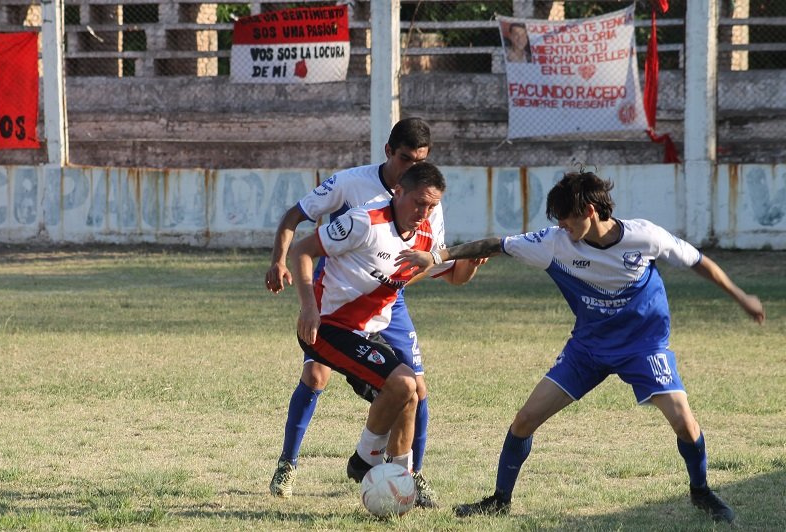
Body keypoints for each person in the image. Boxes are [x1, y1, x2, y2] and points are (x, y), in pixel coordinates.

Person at [396, 170, 765, 523]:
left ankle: (701, 491)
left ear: (590, 211)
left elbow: (699, 262)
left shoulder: (646, 237)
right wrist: (439, 256)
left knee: (684, 422)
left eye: (567, 219)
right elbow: (496, 244)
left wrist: (740, 295)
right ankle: (499, 500)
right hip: (588, 349)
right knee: (525, 420)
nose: (561, 227)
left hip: (644, 347)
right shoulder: (555, 244)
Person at [266, 118, 444, 507]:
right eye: (405, 159)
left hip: (386, 302)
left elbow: (430, 264)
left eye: (420, 162)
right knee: (316, 375)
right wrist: (282, 263)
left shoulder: (426, 204)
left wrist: (454, 267)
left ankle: (408, 479)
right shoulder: (354, 189)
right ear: (388, 153)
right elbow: (297, 222)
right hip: (337, 304)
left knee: (415, 389)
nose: (412, 168)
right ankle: (292, 463)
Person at [290, 162, 481, 486]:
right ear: (398, 191)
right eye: (418, 202)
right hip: (327, 327)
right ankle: (364, 462)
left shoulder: (424, 239)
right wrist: (308, 307)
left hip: (367, 332)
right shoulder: (364, 222)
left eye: (432, 205)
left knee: (412, 393)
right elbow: (301, 250)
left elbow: (453, 277)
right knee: (404, 383)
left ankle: (397, 481)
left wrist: (471, 264)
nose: (424, 211)